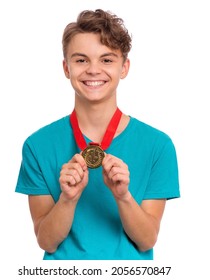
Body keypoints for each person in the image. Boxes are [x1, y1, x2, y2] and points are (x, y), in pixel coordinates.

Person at [15, 9, 180, 260]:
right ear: (66, 68)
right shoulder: (37, 145)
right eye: (81, 60)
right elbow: (46, 241)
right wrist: (68, 199)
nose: (93, 70)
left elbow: (147, 240)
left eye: (106, 59)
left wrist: (123, 196)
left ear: (124, 67)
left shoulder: (158, 145)